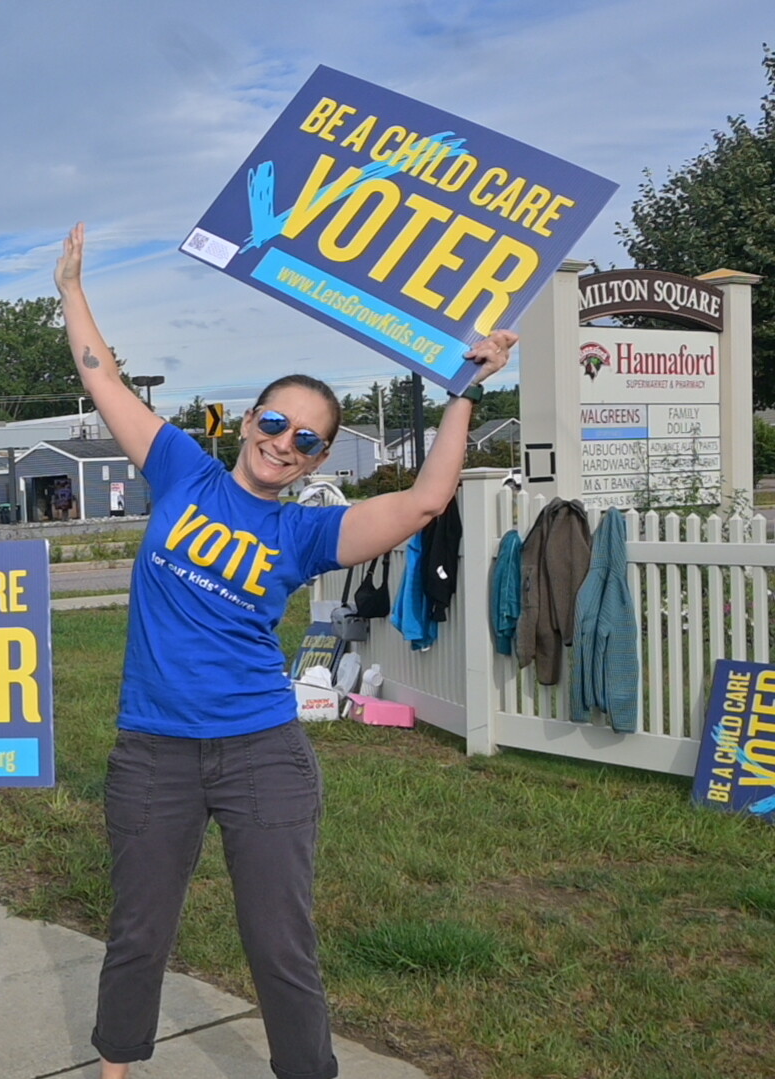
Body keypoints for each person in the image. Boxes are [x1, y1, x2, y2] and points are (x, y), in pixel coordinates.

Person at [53, 223, 513, 1079]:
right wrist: (72, 289)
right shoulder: (182, 468)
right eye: (275, 422)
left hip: (261, 753)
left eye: (306, 439)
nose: (284, 443)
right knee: (139, 933)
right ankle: (116, 1069)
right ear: (248, 420)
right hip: (152, 751)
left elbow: (422, 504)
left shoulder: (305, 530)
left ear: (319, 457)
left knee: (280, 947)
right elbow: (102, 378)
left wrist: (463, 391)